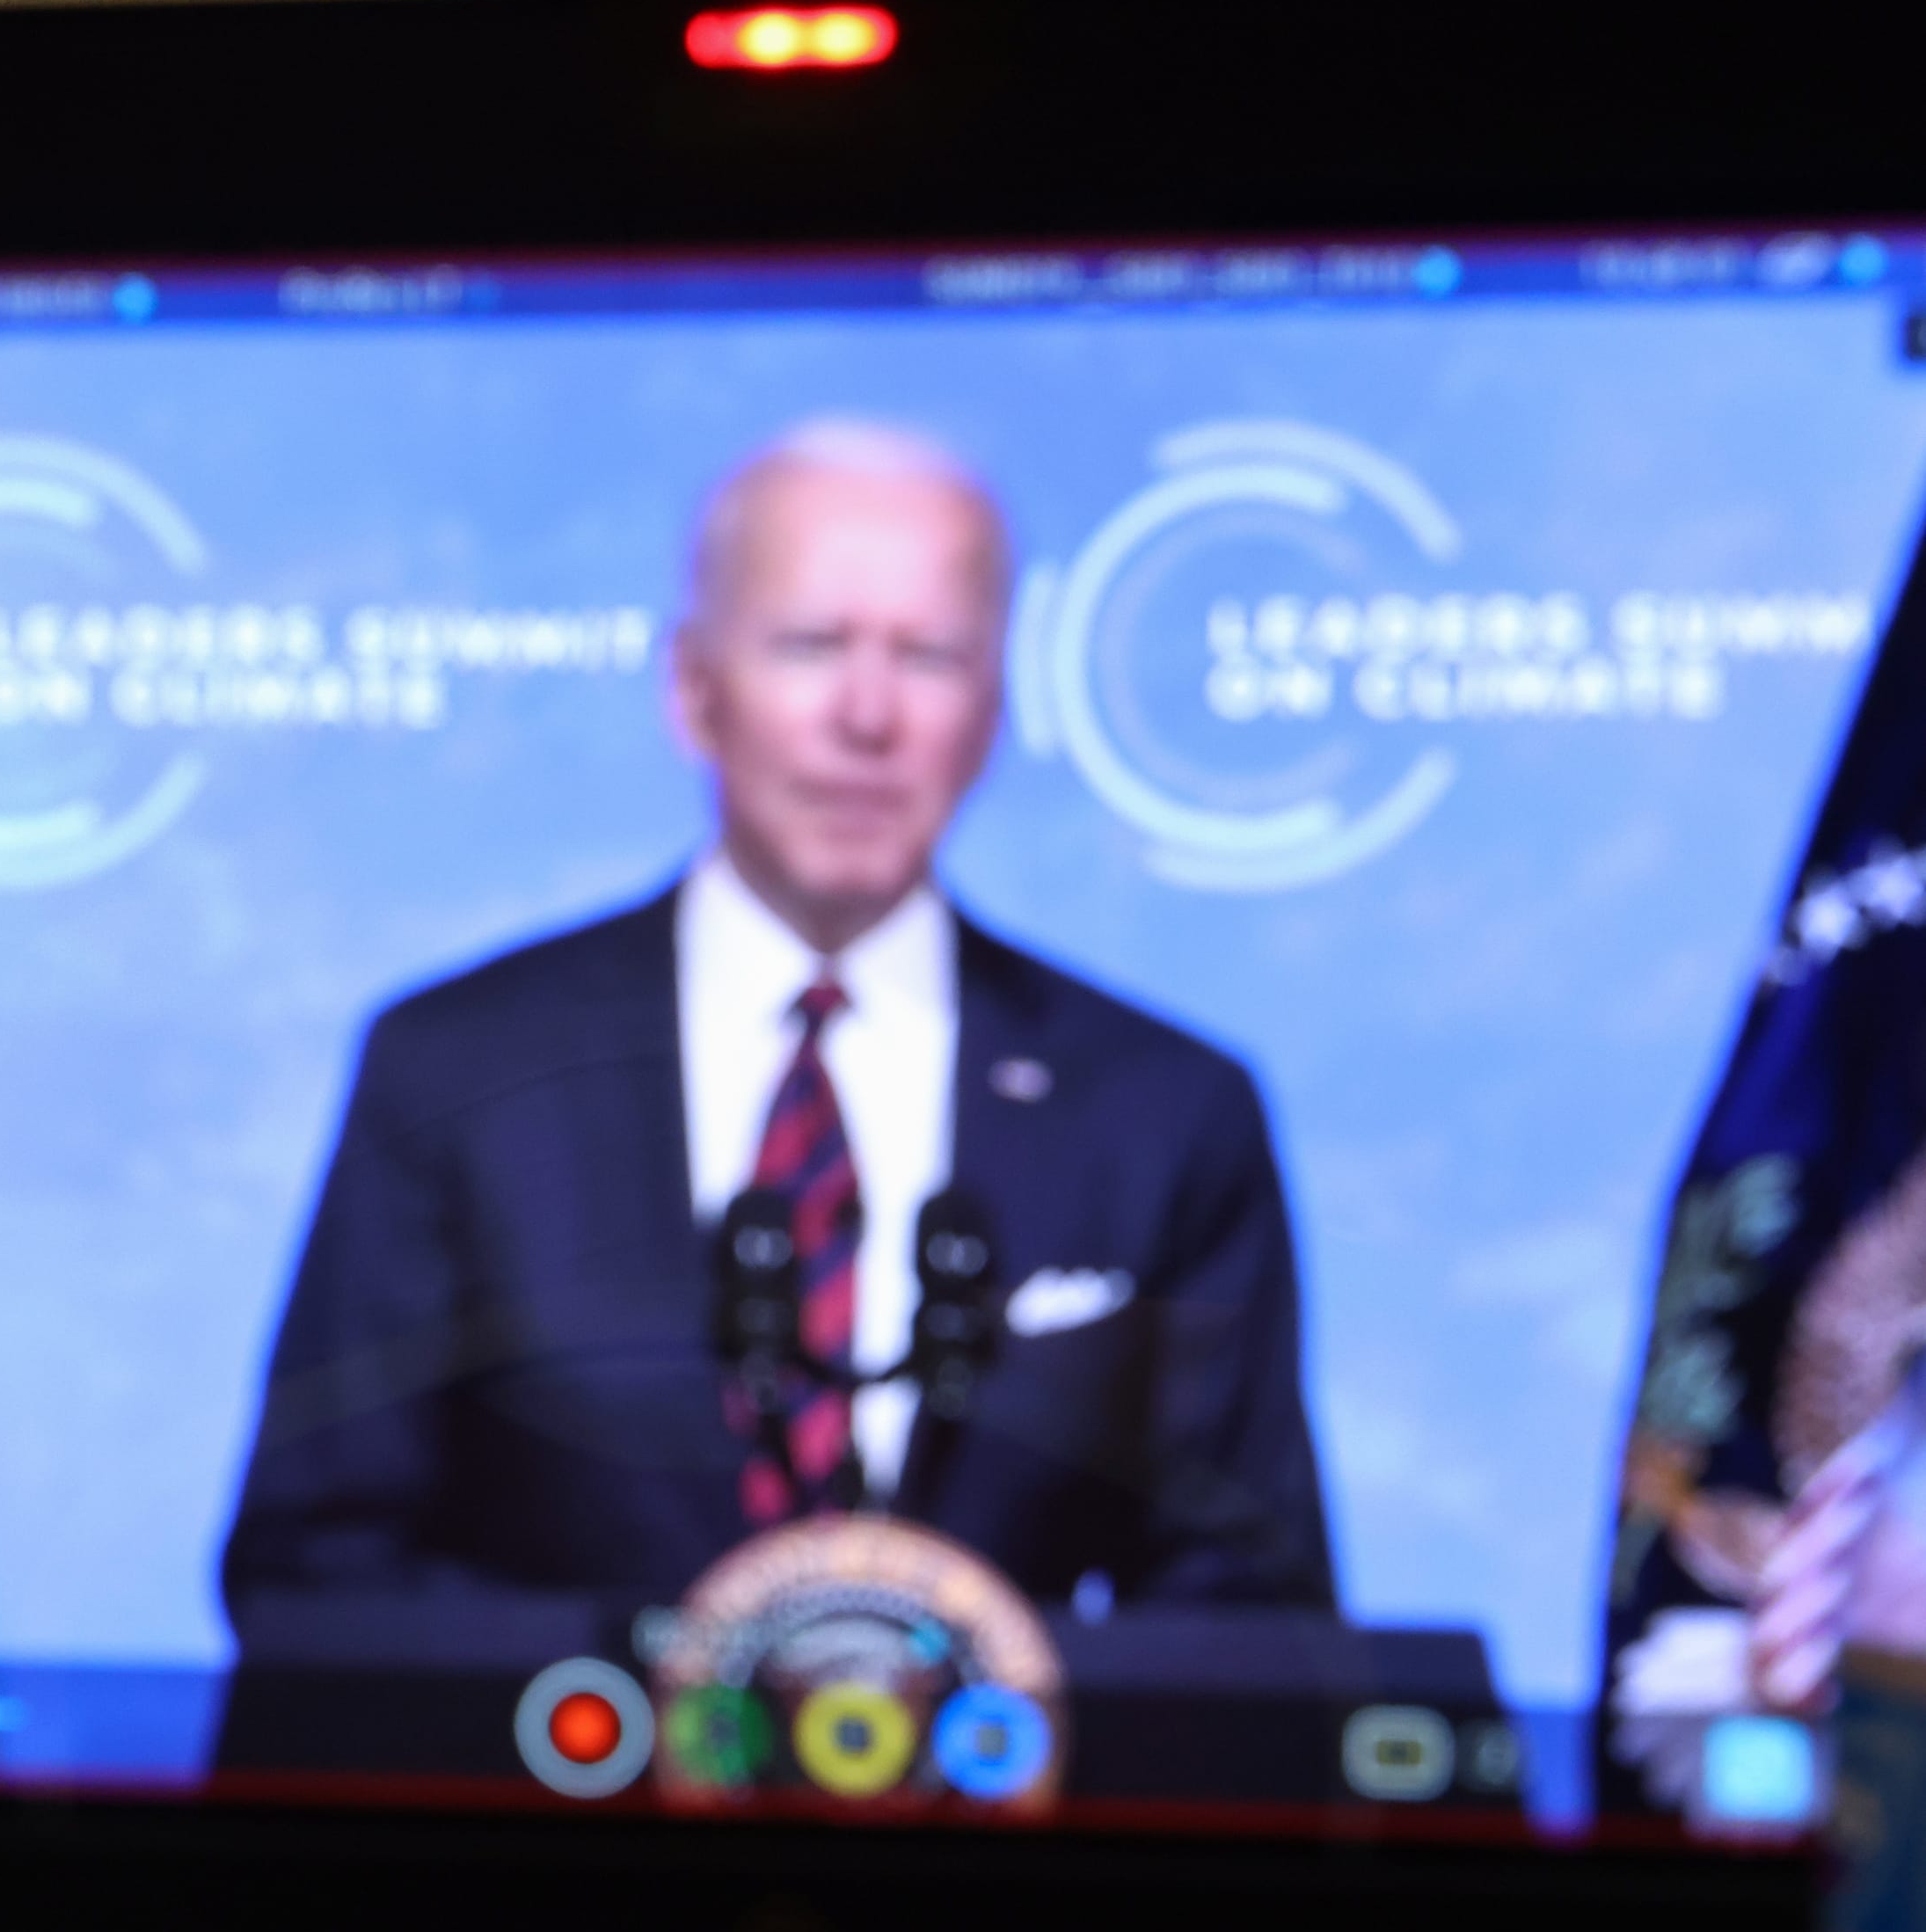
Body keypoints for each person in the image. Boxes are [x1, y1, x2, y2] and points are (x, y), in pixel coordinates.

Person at [222, 419, 1335, 1659]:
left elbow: (1255, 1617)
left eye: (928, 655)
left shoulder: (1163, 1109)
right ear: (694, 687)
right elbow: (310, 1574)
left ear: (995, 707)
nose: (867, 716)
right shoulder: (460, 1072)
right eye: (810, 645)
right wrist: (662, 1695)